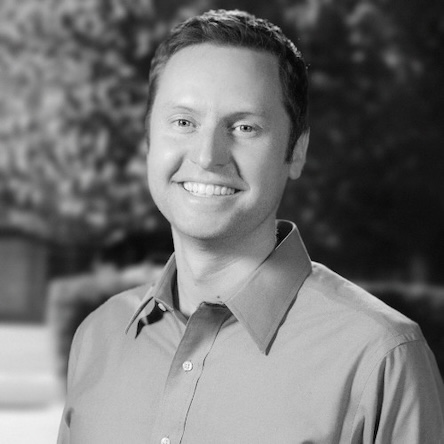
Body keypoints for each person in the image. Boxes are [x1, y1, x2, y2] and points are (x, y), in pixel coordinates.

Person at [58, 9, 444, 444]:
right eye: (184, 122)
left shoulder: (380, 358)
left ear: (296, 152)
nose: (208, 156)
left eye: (244, 127)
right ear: (149, 139)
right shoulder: (98, 338)